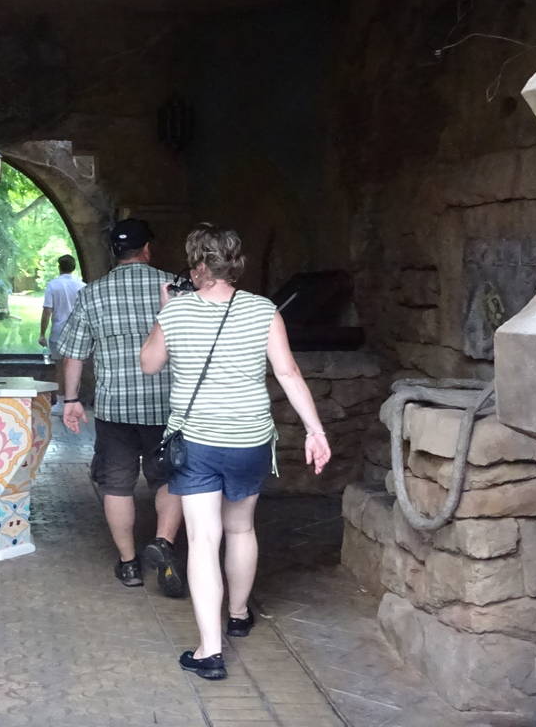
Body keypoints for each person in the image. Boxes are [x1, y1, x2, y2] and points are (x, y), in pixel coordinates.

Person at [140, 224, 331, 680]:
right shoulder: (264, 310)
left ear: (197, 266)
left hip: (197, 441)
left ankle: (210, 652)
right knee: (241, 528)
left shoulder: (177, 311)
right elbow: (288, 372)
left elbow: (148, 364)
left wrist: (165, 312)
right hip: (250, 439)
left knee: (204, 540)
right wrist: (315, 430)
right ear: (234, 264)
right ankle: (240, 614)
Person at [55, 219, 187, 597]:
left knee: (116, 485)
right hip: (168, 406)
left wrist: (71, 400)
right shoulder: (176, 289)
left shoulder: (92, 294)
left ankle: (129, 563)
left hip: (116, 408)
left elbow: (75, 353)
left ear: (114, 252)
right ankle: (163, 545)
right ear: (148, 249)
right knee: (169, 479)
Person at [38, 254, 82, 360]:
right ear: (73, 268)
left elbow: (47, 312)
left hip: (58, 334)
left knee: (59, 366)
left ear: (59, 267)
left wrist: (42, 334)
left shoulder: (52, 285)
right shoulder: (82, 286)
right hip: (77, 335)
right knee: (75, 366)